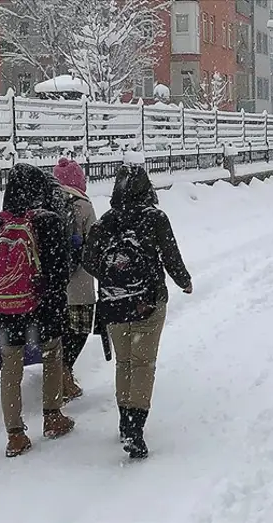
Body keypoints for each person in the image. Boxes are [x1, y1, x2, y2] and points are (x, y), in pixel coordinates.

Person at [83, 164, 192, 459]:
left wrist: (112, 275)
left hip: (114, 303)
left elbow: (88, 259)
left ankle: (124, 421)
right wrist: (184, 281)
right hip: (148, 302)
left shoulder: (106, 221)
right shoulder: (155, 218)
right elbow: (171, 255)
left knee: (125, 363)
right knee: (143, 364)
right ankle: (135, 427)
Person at [0, 163, 75, 458]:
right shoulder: (48, 220)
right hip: (43, 307)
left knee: (10, 367)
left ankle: (15, 435)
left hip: (4, 310)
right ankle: (53, 416)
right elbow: (60, 269)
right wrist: (43, 292)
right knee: (52, 355)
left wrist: (7, 285)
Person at [52, 157, 98, 401]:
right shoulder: (83, 205)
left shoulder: (45, 202)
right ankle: (65, 372)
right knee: (79, 329)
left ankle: (57, 373)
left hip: (52, 283)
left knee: (57, 330)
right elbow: (95, 242)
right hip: (79, 282)